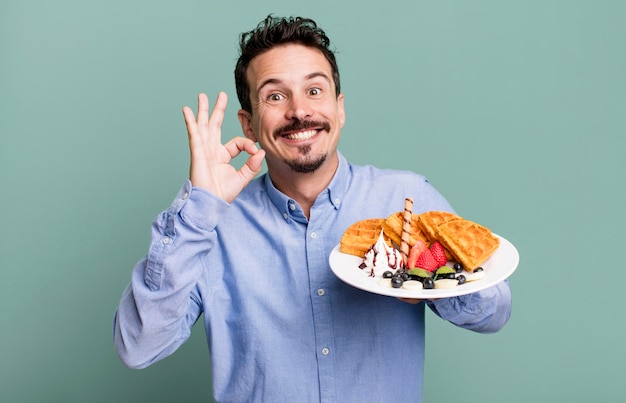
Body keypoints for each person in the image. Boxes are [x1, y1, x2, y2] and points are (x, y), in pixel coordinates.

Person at [114, 15, 512, 402]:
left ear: (340, 109)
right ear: (249, 124)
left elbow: (494, 311)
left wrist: (430, 285)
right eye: (274, 95)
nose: (299, 110)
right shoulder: (211, 227)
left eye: (315, 91)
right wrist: (199, 208)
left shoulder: (405, 198)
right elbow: (138, 346)